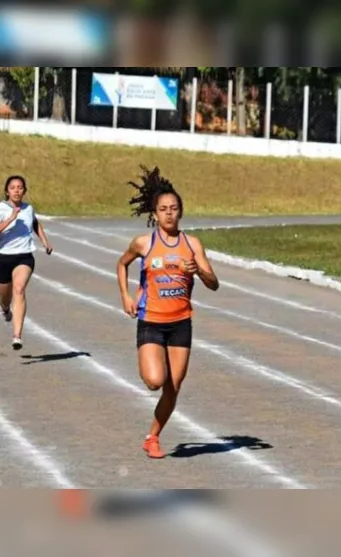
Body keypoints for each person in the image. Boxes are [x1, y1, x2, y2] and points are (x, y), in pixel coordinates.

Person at [116, 166, 220, 459]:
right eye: (163, 209)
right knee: (154, 381)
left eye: (174, 208)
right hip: (151, 321)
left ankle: (152, 437)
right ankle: (150, 362)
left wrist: (197, 270)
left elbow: (214, 284)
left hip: (181, 323)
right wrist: (126, 295)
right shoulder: (144, 243)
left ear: (181, 211)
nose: (169, 214)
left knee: (173, 388)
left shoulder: (192, 245)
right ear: (155, 213)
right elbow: (121, 264)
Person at [0, 175, 53, 350]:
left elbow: (34, 223)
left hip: (24, 256)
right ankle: (4, 309)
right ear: (7, 191)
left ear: (24, 191)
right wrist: (9, 219)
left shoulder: (28, 208)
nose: (16, 190)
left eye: (20, 187)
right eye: (13, 187)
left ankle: (17, 335)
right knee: (5, 298)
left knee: (19, 289)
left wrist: (45, 241)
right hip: (3, 257)